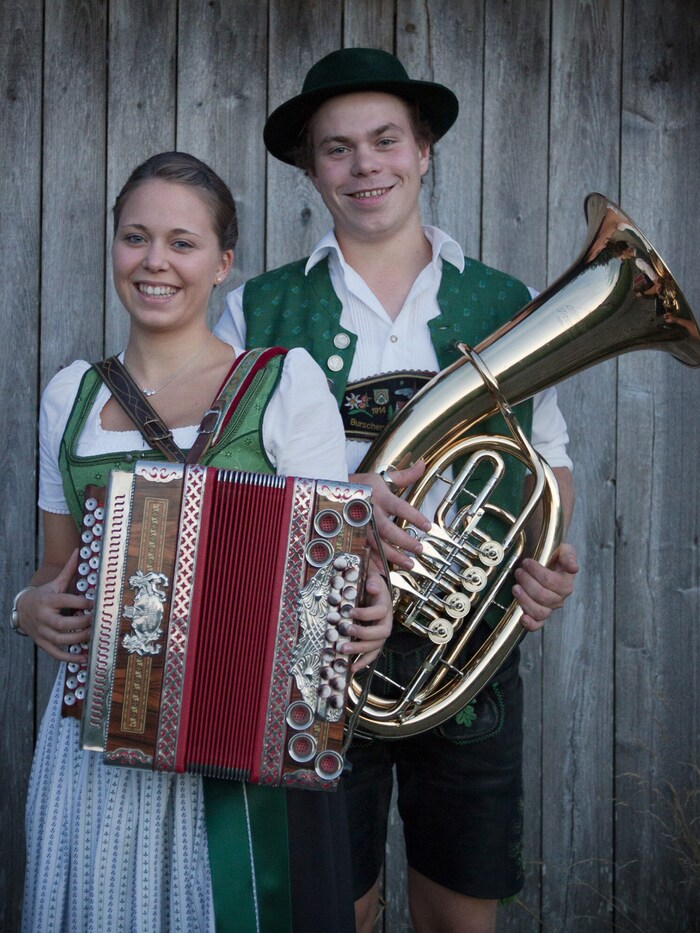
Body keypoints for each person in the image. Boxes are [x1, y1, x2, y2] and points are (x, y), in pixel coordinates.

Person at [215, 48, 579, 933]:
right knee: (333, 909)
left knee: (461, 911)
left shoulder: (510, 301)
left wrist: (550, 561)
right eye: (337, 149)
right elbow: (224, 488)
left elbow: (548, 458)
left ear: (424, 151)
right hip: (316, 648)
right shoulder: (252, 310)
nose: (364, 164)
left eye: (385, 141)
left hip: (468, 653)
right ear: (311, 170)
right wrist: (343, 505)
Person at [12, 151, 392, 933]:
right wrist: (25, 607)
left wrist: (368, 610)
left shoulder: (286, 383)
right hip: (99, 747)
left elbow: (335, 577)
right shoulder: (70, 394)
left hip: (248, 739)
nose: (155, 262)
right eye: (136, 237)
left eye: (182, 243)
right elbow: (55, 572)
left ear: (222, 264)